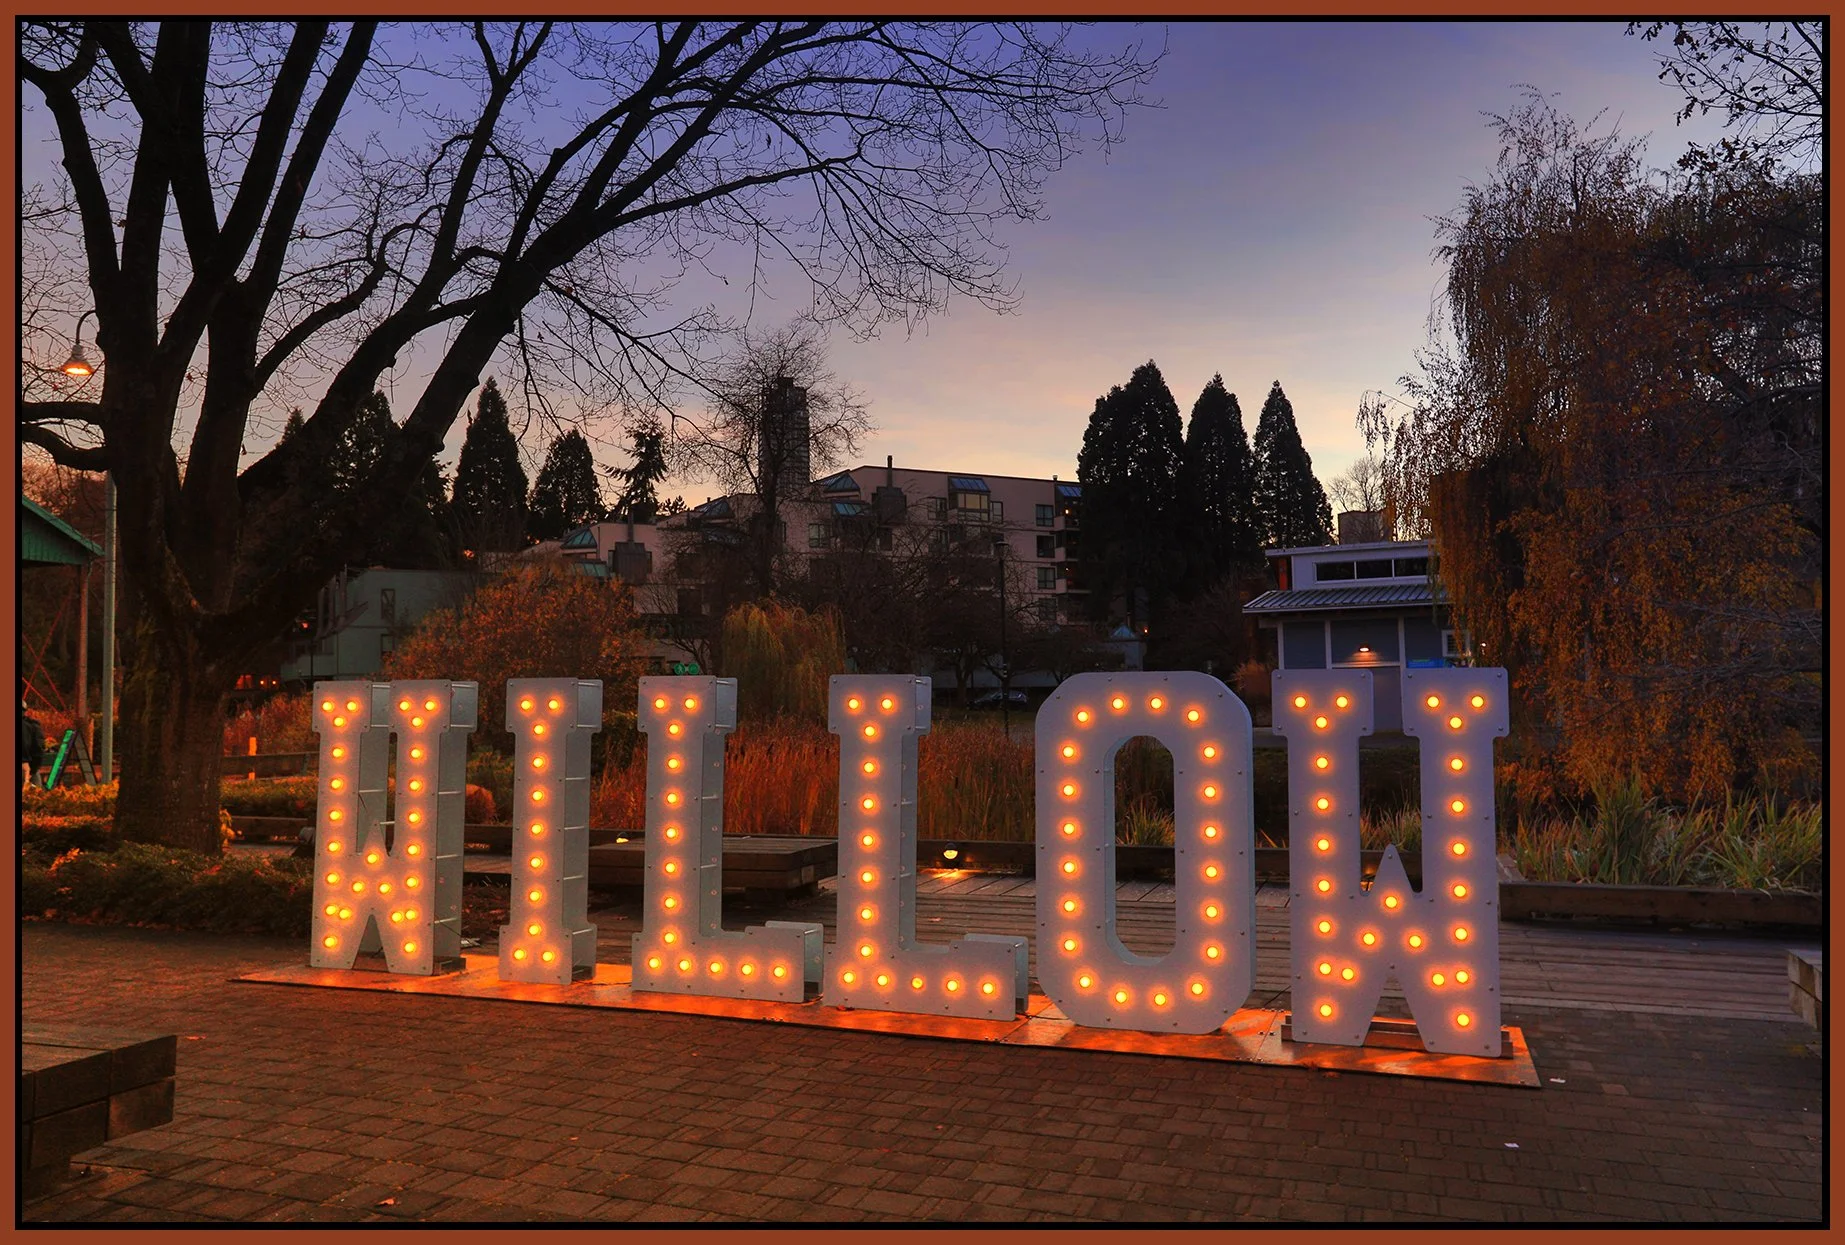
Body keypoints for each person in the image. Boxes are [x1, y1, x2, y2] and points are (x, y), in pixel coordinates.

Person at [20, 699, 46, 790]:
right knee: (35, 797)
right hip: (27, 766)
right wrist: (34, 769)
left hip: (26, 766)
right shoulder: (32, 726)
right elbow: (39, 748)